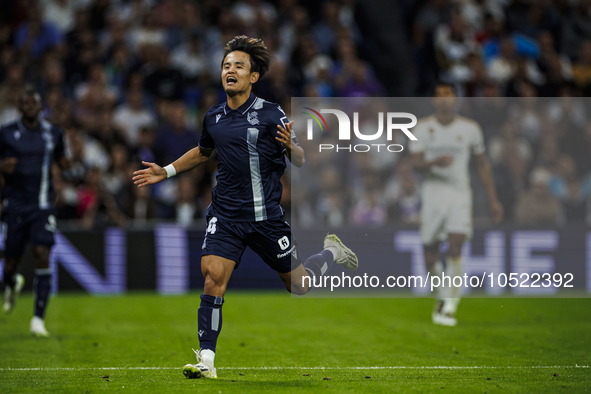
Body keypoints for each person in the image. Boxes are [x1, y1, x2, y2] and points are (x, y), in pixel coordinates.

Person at [132, 36, 358, 379]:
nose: (230, 70)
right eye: (226, 66)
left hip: (266, 218)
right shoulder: (214, 116)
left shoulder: (271, 113)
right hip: (225, 216)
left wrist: (290, 147)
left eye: (238, 65)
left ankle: (330, 252)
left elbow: (299, 159)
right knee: (212, 278)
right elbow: (204, 152)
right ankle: (206, 360)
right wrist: (166, 171)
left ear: (253, 76)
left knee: (300, 286)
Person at [409, 82, 503, 326]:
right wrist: (433, 162)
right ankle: (442, 295)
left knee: (455, 245)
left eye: (448, 95)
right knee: (429, 250)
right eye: (439, 95)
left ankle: (450, 306)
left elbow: (482, 164)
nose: (444, 99)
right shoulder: (422, 128)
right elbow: (415, 163)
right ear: (433, 101)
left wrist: (493, 200)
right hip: (432, 193)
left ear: (456, 100)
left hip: (460, 193)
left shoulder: (470, 129)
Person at [1, 90, 70, 336]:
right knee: (10, 263)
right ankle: (11, 282)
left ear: (41, 107)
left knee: (42, 253)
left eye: (34, 102)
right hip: (14, 206)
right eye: (25, 102)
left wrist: (68, 167)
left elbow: (63, 160)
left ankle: (38, 320)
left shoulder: (53, 132)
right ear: (19, 106)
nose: (30, 106)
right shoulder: (6, 133)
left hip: (42, 205)